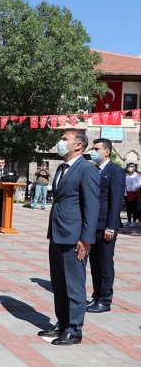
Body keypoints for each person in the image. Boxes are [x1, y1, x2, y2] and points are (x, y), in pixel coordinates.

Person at [38, 129, 99, 346]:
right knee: (59, 284)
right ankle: (63, 323)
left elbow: (92, 207)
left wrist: (86, 239)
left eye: (65, 139)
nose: (60, 142)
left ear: (78, 145)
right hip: (57, 234)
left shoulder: (86, 169)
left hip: (75, 237)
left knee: (74, 285)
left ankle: (74, 330)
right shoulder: (62, 168)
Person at [87, 139, 125, 314]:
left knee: (105, 263)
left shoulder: (115, 170)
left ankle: (105, 300)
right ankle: (97, 296)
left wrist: (111, 227)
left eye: (97, 149)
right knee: (95, 263)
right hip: (93, 224)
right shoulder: (94, 170)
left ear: (107, 151)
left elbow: (116, 201)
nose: (93, 152)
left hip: (106, 225)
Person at [124, 163, 140, 228]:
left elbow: (139, 186)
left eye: (131, 166)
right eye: (128, 166)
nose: (129, 168)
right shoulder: (127, 176)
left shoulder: (137, 176)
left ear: (134, 168)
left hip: (134, 194)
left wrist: (138, 196)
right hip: (127, 194)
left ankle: (134, 221)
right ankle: (129, 220)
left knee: (134, 208)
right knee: (128, 208)